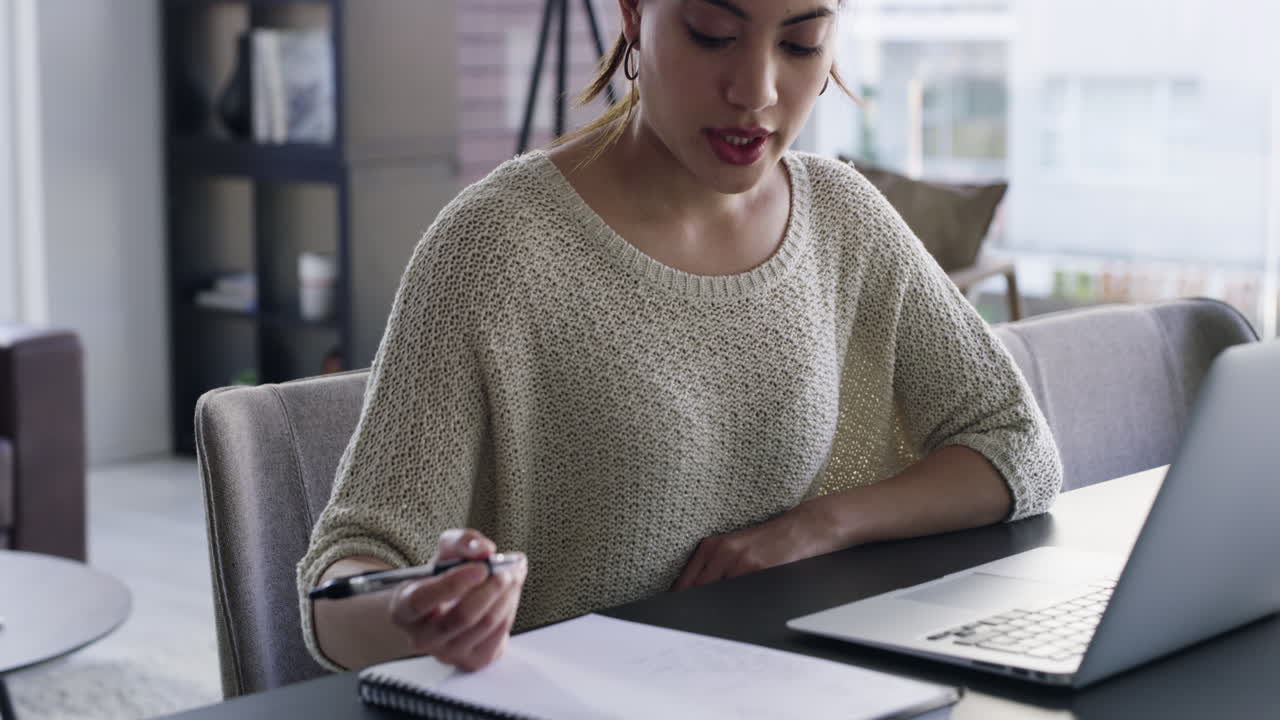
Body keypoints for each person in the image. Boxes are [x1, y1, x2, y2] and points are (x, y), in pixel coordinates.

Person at [297, 0, 1062, 675]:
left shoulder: (842, 216)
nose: (756, 92)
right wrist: (415, 613)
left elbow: (1015, 446)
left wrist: (814, 527)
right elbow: (342, 580)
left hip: (787, 689)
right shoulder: (496, 246)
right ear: (633, 16)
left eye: (801, 44)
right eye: (712, 34)